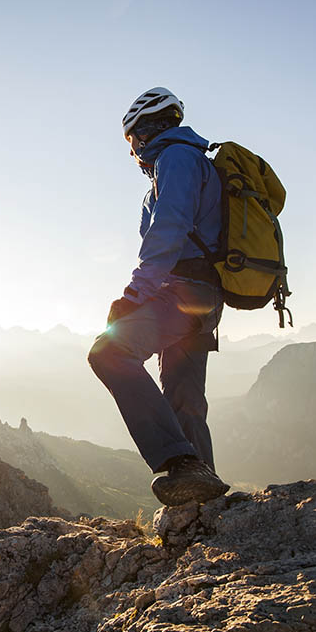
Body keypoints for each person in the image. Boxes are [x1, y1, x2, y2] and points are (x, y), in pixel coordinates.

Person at [87, 87, 230, 506]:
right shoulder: (189, 161)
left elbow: (168, 230)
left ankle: (180, 464)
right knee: (184, 398)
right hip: (203, 300)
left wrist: (134, 296)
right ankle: (204, 499)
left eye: (132, 141)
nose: (133, 152)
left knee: (109, 352)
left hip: (182, 293)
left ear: (145, 131)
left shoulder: (177, 159)